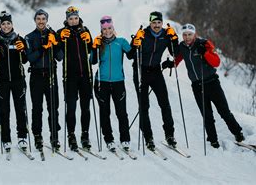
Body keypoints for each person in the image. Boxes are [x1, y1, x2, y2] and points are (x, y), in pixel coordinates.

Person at [167, 23, 244, 148]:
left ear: (194, 34)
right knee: (206, 115)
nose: (187, 37)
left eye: (190, 35)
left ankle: (237, 132)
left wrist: (205, 53)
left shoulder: (204, 44)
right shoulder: (182, 47)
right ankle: (213, 139)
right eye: (185, 35)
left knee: (224, 111)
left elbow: (216, 62)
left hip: (212, 82)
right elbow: (178, 58)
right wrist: (171, 64)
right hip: (197, 85)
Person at [127, 11, 178, 150]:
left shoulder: (166, 35)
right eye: (154, 23)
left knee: (165, 104)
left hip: (155, 71)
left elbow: (175, 53)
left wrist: (174, 39)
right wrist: (134, 42)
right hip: (140, 71)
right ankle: (148, 137)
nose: (156, 25)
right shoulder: (143, 34)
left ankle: (170, 135)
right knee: (144, 106)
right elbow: (130, 55)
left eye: (159, 23)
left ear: (162, 23)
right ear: (150, 23)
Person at [91, 16, 132, 152]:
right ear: (101, 30)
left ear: (113, 28)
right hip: (101, 83)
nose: (107, 31)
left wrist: (137, 41)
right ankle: (109, 139)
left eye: (109, 28)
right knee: (105, 112)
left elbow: (132, 55)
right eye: (104, 29)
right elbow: (93, 62)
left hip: (118, 82)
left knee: (121, 113)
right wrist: (95, 47)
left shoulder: (121, 42)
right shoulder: (98, 44)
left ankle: (125, 139)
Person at [0, 11, 29, 152]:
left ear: (12, 24)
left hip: (18, 80)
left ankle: (22, 136)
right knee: (4, 111)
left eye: (8, 23)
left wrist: (22, 50)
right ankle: (6, 139)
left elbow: (25, 60)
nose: (6, 26)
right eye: (3, 24)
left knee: (20, 109)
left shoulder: (19, 39)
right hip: (2, 81)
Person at [25, 9, 63, 151]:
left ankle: (54, 137)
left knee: (53, 107)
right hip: (36, 75)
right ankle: (37, 136)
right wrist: (43, 48)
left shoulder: (53, 35)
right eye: (38, 19)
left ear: (47, 20)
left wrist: (55, 43)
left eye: (43, 19)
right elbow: (29, 58)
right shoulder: (29, 37)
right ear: (35, 20)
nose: (41, 21)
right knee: (37, 108)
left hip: (50, 74)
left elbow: (60, 57)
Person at [57, 6, 93, 151]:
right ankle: (71, 135)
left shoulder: (85, 30)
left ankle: (85, 135)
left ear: (79, 18)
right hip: (70, 76)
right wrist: (60, 40)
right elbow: (58, 56)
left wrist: (89, 40)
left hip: (85, 75)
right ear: (66, 19)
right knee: (71, 107)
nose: (73, 21)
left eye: (75, 18)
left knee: (85, 107)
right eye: (70, 18)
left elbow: (90, 49)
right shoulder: (61, 32)